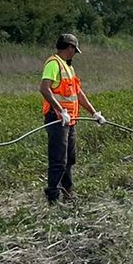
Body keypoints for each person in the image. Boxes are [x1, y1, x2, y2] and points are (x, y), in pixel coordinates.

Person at [40, 32, 104, 204]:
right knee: (58, 160)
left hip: (71, 120)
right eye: (74, 51)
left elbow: (78, 93)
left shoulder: (69, 67)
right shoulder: (53, 64)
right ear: (70, 48)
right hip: (57, 119)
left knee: (69, 159)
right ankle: (53, 198)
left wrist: (94, 113)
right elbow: (44, 88)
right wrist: (60, 110)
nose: (74, 54)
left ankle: (68, 193)